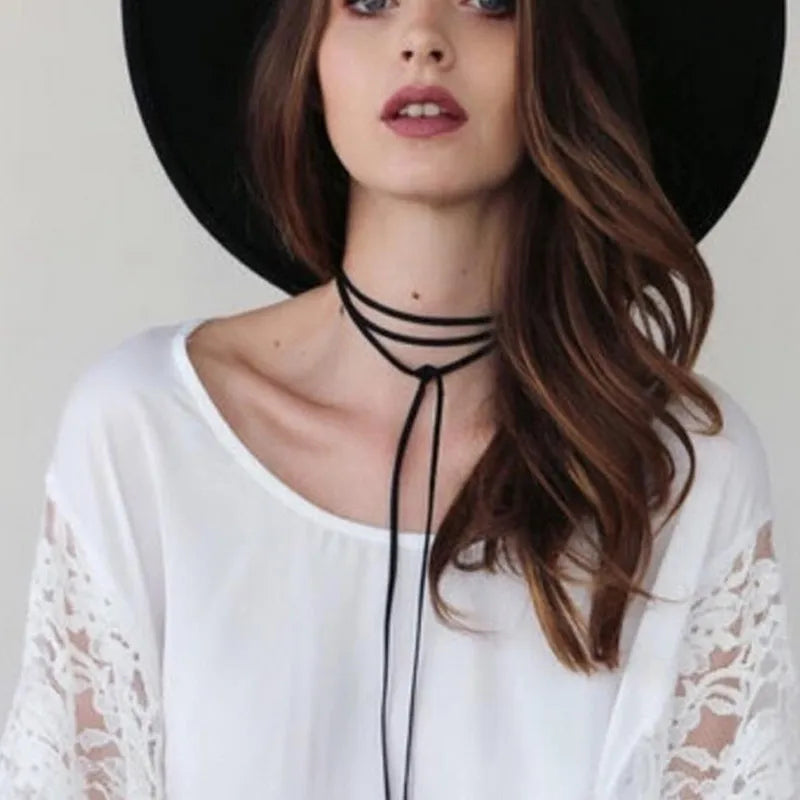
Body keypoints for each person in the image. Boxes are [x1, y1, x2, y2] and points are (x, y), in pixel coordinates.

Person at [1, 0, 798, 798]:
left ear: (563, 54)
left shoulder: (683, 476)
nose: (422, 40)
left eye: (489, 2)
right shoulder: (148, 433)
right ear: (308, 59)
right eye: (370, 1)